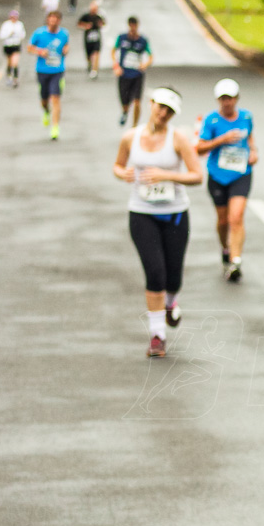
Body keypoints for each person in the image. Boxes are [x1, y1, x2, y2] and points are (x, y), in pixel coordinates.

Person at [112, 87, 203, 358]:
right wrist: (123, 173)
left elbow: (197, 175)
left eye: (169, 111)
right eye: (160, 107)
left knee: (173, 276)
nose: (163, 113)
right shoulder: (131, 137)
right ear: (151, 104)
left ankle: (170, 302)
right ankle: (157, 335)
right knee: (155, 272)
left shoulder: (178, 140)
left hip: (175, 214)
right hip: (141, 214)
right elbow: (117, 166)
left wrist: (166, 175)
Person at [196, 78, 258, 283]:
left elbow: (250, 139)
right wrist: (221, 140)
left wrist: (254, 153)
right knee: (223, 221)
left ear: (236, 99)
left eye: (230, 98)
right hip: (217, 176)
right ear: (218, 100)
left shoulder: (247, 117)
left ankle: (235, 260)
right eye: (223, 98)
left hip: (241, 174)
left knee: (236, 217)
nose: (227, 102)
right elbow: (199, 148)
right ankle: (225, 248)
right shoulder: (211, 120)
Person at [27, 10, 69, 140]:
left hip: (57, 71)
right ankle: (46, 111)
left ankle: (55, 127)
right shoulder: (39, 33)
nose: (53, 22)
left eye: (55, 19)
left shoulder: (64, 34)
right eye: (51, 19)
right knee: (44, 100)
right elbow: (29, 48)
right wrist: (40, 51)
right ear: (47, 20)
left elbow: (66, 46)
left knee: (55, 98)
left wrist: (66, 50)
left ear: (59, 21)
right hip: (42, 70)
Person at [112, 16, 152, 127]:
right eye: (131, 25)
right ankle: (125, 111)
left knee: (137, 101)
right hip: (124, 73)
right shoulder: (122, 38)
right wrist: (116, 66)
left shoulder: (143, 41)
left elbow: (150, 56)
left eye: (135, 26)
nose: (133, 28)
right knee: (125, 101)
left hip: (137, 74)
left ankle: (134, 126)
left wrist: (145, 64)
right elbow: (113, 50)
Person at [76, 1, 106, 79]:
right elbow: (78, 24)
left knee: (96, 53)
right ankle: (89, 65)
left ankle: (94, 70)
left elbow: (103, 24)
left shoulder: (98, 17)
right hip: (88, 38)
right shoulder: (85, 16)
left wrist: (100, 24)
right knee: (89, 55)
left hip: (96, 38)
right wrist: (86, 26)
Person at [0, 10, 25, 88]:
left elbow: (23, 35)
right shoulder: (6, 25)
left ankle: (15, 79)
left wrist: (18, 36)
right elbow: (1, 36)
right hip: (8, 45)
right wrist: (9, 34)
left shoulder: (20, 25)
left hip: (16, 45)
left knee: (15, 62)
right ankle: (9, 76)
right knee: (9, 63)